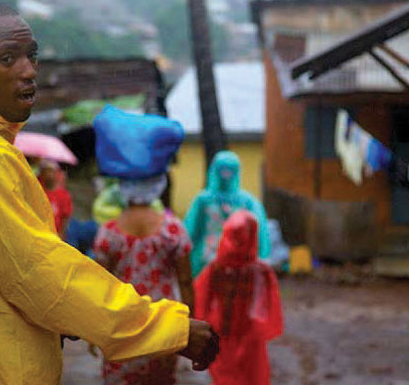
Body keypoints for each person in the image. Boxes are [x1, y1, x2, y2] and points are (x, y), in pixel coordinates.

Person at [0, 0, 217, 384]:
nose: (29, 71)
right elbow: (45, 278)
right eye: (7, 59)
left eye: (31, 56)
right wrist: (170, 328)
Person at [93, 175, 195, 385]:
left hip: (121, 326)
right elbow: (185, 281)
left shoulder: (109, 231)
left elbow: (100, 285)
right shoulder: (173, 229)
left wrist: (93, 330)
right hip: (163, 324)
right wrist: (190, 326)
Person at [194, 211, 283, 385]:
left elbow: (201, 300)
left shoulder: (256, 271)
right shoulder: (257, 271)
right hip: (231, 334)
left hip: (240, 336)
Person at [185, 151, 271, 277]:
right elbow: (190, 232)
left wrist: (262, 259)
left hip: (238, 265)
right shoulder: (203, 201)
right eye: (222, 170)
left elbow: (260, 234)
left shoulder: (247, 202)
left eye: (230, 170)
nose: (226, 175)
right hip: (207, 265)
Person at [39, 159, 72, 238]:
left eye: (51, 171)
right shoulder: (37, 191)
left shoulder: (63, 195)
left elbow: (66, 216)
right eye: (46, 171)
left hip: (55, 234)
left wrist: (62, 233)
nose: (49, 174)